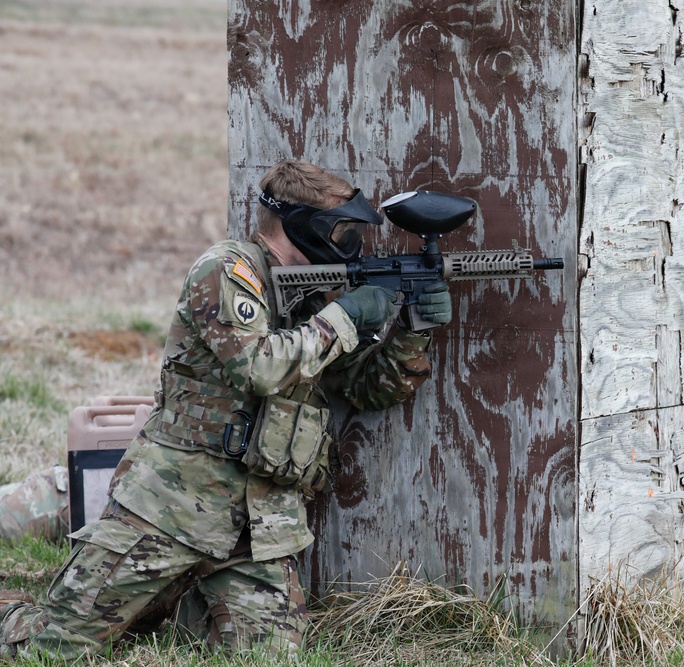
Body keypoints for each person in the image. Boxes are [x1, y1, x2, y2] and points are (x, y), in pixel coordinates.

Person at [0, 160, 452, 659]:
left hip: (257, 528)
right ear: (302, 226)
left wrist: (413, 329)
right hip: (171, 509)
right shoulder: (226, 270)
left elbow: (369, 389)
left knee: (269, 658)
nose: (351, 246)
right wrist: (343, 317)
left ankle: (182, 601)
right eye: (342, 232)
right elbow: (259, 367)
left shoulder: (312, 299)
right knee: (53, 649)